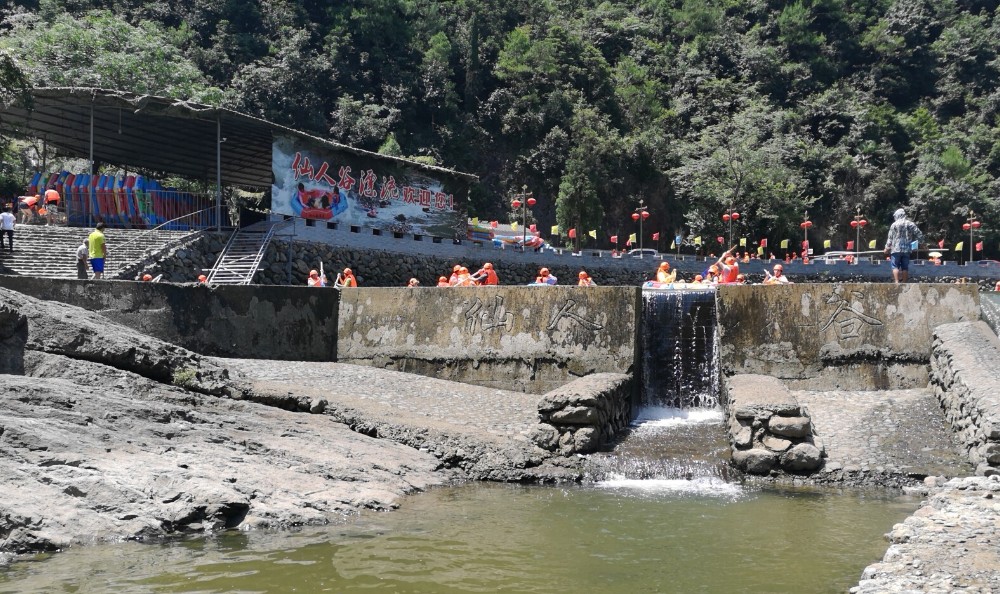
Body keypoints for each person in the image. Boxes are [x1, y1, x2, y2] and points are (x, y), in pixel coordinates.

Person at [883, 208, 924, 284]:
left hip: (895, 249)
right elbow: (919, 234)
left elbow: (890, 238)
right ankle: (904, 282)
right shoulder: (910, 224)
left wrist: (886, 248)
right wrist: (922, 244)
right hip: (907, 249)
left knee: (895, 266)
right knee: (905, 267)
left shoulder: (894, 225)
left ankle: (896, 282)